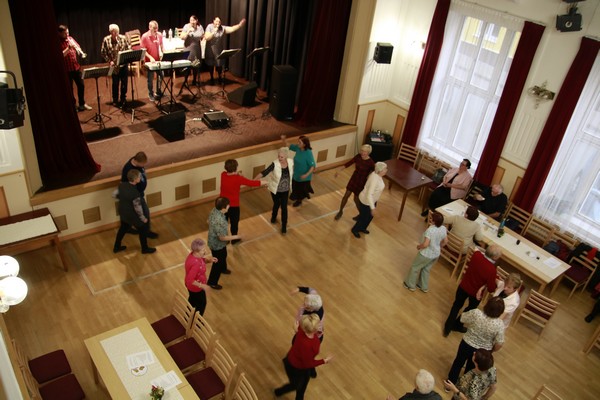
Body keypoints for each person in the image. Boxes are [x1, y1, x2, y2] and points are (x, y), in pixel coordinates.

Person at [443, 246, 502, 337]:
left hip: (463, 286)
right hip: (475, 294)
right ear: (494, 257)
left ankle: (447, 327)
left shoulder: (476, 255)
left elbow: (477, 249)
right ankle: (457, 325)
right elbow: (491, 289)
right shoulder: (492, 270)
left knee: (456, 305)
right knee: (469, 309)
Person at [274, 314, 333, 399]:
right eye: (318, 324)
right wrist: (324, 361)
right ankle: (279, 392)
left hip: (293, 360)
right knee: (296, 385)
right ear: (314, 329)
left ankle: (289, 395)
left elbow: (298, 330)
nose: (320, 324)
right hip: (297, 367)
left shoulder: (302, 330)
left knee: (302, 386)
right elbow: (308, 364)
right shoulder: (310, 345)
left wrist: (296, 329)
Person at [446, 297, 504, 384]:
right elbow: (499, 343)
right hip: (483, 351)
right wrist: (492, 350)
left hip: (467, 343)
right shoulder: (499, 324)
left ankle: (450, 382)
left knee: (458, 362)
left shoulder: (476, 313)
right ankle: (464, 385)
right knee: (472, 369)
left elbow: (462, 318)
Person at [219, 159, 263, 244]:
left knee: (223, 223)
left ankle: (224, 239)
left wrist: (237, 174)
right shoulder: (238, 179)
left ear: (226, 167)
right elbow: (251, 183)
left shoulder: (223, 175)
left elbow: (231, 175)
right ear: (236, 168)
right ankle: (234, 239)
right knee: (234, 223)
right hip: (234, 206)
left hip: (222, 204)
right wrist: (266, 182)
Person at [113, 169, 156, 254]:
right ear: (135, 179)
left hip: (123, 212)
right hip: (131, 215)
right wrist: (143, 218)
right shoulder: (135, 193)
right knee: (143, 229)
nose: (140, 178)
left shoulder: (122, 185)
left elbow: (114, 194)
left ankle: (116, 247)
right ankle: (145, 249)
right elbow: (138, 208)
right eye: (139, 177)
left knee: (123, 228)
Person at [403, 212, 448, 292]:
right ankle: (423, 286)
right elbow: (446, 241)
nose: (430, 219)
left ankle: (410, 285)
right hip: (436, 254)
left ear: (434, 221)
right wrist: (439, 247)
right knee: (426, 269)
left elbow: (425, 244)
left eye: (431, 219)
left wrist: (419, 246)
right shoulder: (443, 228)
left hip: (425, 254)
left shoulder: (430, 230)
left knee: (415, 268)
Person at [255, 147, 294, 235]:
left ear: (286, 156)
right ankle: (273, 217)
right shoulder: (274, 164)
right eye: (279, 156)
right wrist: (253, 180)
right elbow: (264, 172)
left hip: (285, 190)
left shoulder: (291, 162)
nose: (279, 158)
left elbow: (294, 171)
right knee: (277, 204)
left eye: (281, 157)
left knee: (284, 207)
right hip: (275, 189)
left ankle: (284, 226)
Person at [121, 152, 158, 238]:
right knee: (145, 212)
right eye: (142, 164)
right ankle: (146, 232)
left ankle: (128, 227)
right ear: (137, 161)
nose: (143, 166)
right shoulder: (128, 169)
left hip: (139, 193)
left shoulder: (138, 165)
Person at [207, 197, 241, 290]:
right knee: (217, 262)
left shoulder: (214, 210)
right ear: (223, 208)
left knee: (224, 255)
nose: (229, 206)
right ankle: (212, 282)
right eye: (228, 205)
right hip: (216, 244)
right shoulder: (219, 221)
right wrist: (236, 236)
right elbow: (222, 238)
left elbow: (208, 221)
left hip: (217, 242)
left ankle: (223, 268)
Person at [334, 144, 375, 221]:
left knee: (356, 199)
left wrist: (369, 178)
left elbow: (374, 172)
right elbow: (349, 163)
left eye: (365, 151)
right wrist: (339, 170)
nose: (362, 153)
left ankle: (362, 215)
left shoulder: (371, 162)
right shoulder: (358, 156)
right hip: (354, 178)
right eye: (362, 150)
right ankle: (340, 211)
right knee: (346, 195)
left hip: (361, 182)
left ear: (368, 152)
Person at [58, 25, 91, 112]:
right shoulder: (58, 42)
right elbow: (61, 55)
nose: (67, 35)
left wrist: (80, 52)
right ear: (60, 33)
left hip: (75, 67)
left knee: (81, 85)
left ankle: (82, 104)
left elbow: (77, 47)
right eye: (65, 33)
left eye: (68, 32)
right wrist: (68, 48)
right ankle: (73, 105)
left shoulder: (70, 38)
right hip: (67, 70)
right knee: (70, 89)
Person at [204, 16, 246, 84]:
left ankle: (220, 77)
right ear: (213, 21)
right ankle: (211, 78)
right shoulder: (209, 26)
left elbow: (232, 28)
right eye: (216, 21)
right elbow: (207, 38)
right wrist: (214, 31)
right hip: (210, 49)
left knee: (219, 64)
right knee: (211, 64)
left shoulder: (222, 28)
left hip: (218, 49)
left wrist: (239, 25)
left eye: (219, 21)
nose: (218, 23)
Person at [351, 161, 387, 238]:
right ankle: (355, 229)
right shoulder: (375, 179)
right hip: (366, 201)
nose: (386, 170)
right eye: (385, 169)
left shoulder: (377, 175)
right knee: (364, 217)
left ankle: (362, 228)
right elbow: (369, 194)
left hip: (372, 200)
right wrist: (372, 208)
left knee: (370, 217)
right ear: (380, 170)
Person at [101, 23, 131, 107]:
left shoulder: (123, 38)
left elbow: (129, 48)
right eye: (114, 32)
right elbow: (103, 52)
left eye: (117, 32)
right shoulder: (106, 40)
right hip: (114, 65)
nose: (116, 34)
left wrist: (126, 56)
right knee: (115, 83)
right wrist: (109, 61)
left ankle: (123, 98)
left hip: (123, 64)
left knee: (124, 82)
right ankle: (115, 99)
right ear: (111, 32)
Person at [282, 135, 316, 207]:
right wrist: (284, 140)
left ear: (304, 144)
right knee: (295, 186)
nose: (298, 143)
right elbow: (289, 145)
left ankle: (299, 200)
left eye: (300, 142)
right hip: (297, 173)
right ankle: (301, 196)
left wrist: (306, 175)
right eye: (298, 141)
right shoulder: (298, 148)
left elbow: (312, 166)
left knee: (299, 189)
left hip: (304, 176)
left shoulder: (308, 153)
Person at [184, 238, 215, 315]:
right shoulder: (196, 264)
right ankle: (197, 320)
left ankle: (188, 316)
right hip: (196, 288)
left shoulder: (193, 255)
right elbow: (190, 280)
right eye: (203, 250)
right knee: (201, 304)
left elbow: (201, 260)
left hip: (192, 287)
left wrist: (209, 260)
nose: (205, 251)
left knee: (192, 300)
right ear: (196, 251)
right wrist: (203, 286)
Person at [141, 20, 164, 101]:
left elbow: (161, 45)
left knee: (161, 75)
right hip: (149, 61)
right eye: (154, 28)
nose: (156, 30)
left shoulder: (159, 35)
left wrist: (162, 52)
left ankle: (158, 91)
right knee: (150, 79)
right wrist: (150, 57)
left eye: (157, 28)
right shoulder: (145, 36)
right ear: (149, 27)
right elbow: (143, 50)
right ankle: (150, 93)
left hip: (158, 61)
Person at [181, 15, 204, 85]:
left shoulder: (200, 27)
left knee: (196, 65)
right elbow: (182, 37)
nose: (192, 22)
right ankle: (185, 81)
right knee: (186, 65)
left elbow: (202, 35)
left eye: (194, 20)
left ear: (196, 21)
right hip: (187, 48)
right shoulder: (186, 26)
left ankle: (194, 80)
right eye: (191, 20)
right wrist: (188, 32)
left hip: (196, 49)